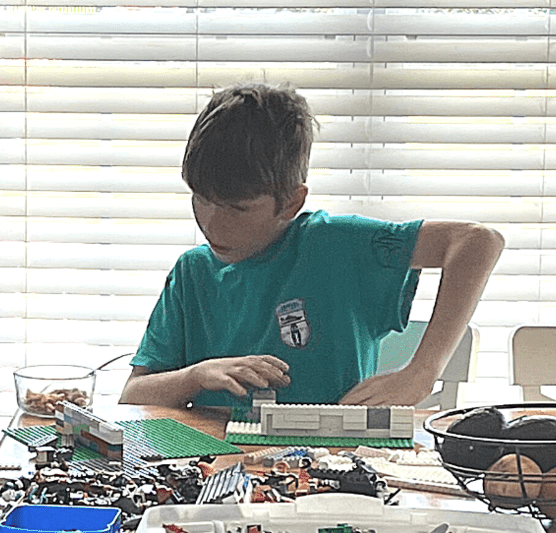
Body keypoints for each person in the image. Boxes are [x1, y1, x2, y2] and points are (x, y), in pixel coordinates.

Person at [120, 83, 504, 410]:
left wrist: (421, 373)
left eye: (238, 209)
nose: (211, 223)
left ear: (291, 202)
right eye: (201, 198)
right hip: (214, 470)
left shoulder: (338, 245)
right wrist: (197, 375)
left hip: (332, 464)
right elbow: (134, 395)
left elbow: (478, 241)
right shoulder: (192, 272)